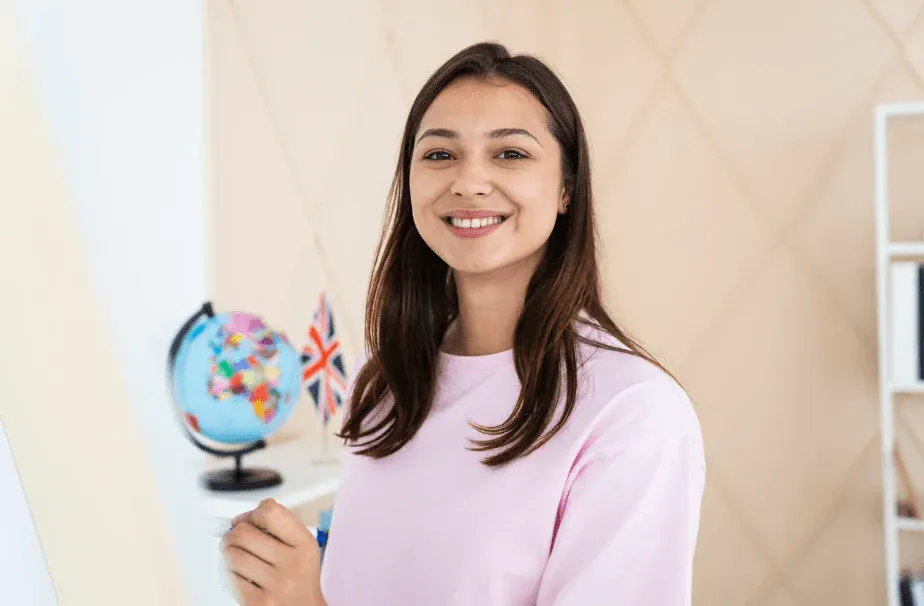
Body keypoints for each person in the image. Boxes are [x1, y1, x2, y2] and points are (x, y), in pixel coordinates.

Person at [221, 41, 706, 606]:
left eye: (509, 155)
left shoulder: (632, 413)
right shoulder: (380, 381)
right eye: (439, 155)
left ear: (567, 188)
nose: (469, 182)